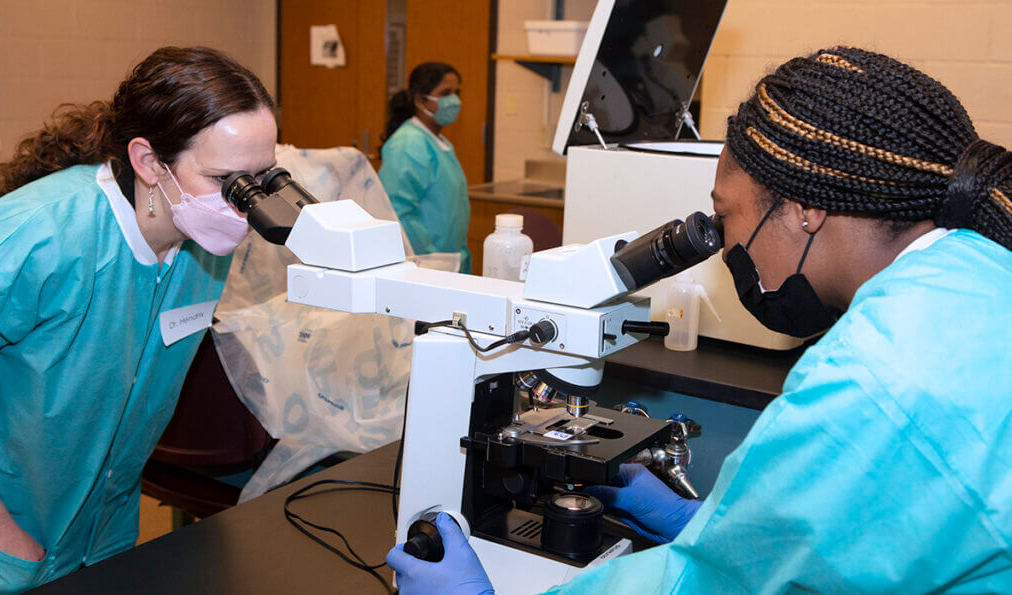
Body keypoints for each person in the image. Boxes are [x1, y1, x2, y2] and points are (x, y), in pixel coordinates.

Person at [387, 46, 1012, 593]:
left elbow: (706, 587)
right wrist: (718, 530)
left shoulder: (869, 376)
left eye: (726, 216)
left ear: (804, 210)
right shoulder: (976, 273)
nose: (724, 242)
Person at [0, 46, 277, 591]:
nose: (246, 203)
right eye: (227, 181)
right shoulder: (33, 237)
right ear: (148, 162)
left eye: (261, 177)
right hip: (7, 536)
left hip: (106, 529)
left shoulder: (205, 241)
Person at [378, 62, 472, 273]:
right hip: (425, 263)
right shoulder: (409, 144)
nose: (454, 100)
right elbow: (398, 212)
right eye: (446, 93)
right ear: (421, 101)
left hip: (447, 261)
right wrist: (429, 260)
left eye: (457, 92)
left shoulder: (439, 142)